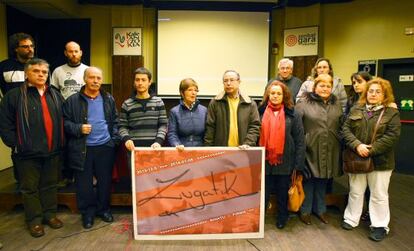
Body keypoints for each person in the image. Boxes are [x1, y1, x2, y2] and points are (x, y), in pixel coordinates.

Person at [0, 58, 65, 238]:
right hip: (26, 153)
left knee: (50, 185)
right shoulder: (13, 96)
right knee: (30, 188)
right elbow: (5, 124)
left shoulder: (55, 94)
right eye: (36, 71)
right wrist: (16, 143)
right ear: (27, 74)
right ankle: (35, 220)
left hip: (52, 150)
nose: (41, 75)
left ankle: (50, 215)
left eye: (44, 72)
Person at [341, 77, 401, 242]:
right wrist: (357, 145)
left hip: (381, 162)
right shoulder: (357, 108)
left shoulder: (392, 112)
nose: (373, 94)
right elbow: (345, 129)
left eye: (378, 92)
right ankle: (351, 219)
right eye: (371, 91)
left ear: (385, 94)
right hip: (357, 157)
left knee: (378, 195)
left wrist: (370, 150)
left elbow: (392, 136)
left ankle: (380, 225)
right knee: (355, 191)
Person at [63, 67, 119, 229]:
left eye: (99, 78)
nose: (95, 81)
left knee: (105, 181)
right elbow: (64, 123)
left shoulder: (108, 98)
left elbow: (115, 121)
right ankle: (88, 213)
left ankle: (104, 209)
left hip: (105, 147)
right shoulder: (73, 100)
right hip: (83, 148)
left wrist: (113, 140)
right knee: (84, 183)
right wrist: (79, 128)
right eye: (92, 77)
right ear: (85, 79)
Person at [295, 73, 343, 225]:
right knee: (309, 180)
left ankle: (320, 210)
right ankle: (305, 210)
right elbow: (296, 128)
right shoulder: (303, 103)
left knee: (323, 179)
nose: (325, 88)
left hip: (330, 148)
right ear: (315, 87)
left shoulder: (336, 104)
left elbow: (341, 124)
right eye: (322, 85)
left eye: (328, 85)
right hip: (309, 147)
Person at [258, 81, 305, 229]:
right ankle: (260, 219)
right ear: (268, 95)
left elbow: (299, 140)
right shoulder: (260, 111)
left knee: (282, 192)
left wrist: (298, 165)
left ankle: (282, 218)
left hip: (285, 161)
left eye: (279, 93)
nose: (275, 96)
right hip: (264, 160)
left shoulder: (293, 113)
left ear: (284, 95)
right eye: (273, 93)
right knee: (263, 192)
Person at [0, 33, 35, 188]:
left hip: (35, 113)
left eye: (32, 46)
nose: (30, 49)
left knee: (36, 148)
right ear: (16, 49)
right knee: (16, 148)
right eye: (25, 46)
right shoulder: (3, 67)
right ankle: (21, 182)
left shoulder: (38, 66)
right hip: (13, 115)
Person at [204, 70, 261, 147]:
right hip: (221, 151)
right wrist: (208, 149)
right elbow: (210, 128)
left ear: (239, 82)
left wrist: (248, 143)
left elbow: (254, 126)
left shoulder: (250, 103)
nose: (228, 83)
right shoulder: (215, 103)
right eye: (225, 81)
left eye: (232, 80)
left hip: (243, 150)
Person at [119, 67, 168, 151]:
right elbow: (122, 127)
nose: (140, 83)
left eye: (143, 80)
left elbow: (163, 125)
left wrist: (158, 142)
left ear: (149, 82)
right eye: (137, 80)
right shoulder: (127, 104)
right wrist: (127, 139)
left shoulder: (158, 102)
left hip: (154, 149)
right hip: (133, 150)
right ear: (134, 82)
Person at [167, 78, 207, 149]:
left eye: (195, 90)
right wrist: (177, 145)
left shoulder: (204, 110)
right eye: (190, 90)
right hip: (181, 150)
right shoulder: (174, 112)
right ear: (182, 93)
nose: (193, 93)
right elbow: (172, 134)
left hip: (201, 150)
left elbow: (208, 134)